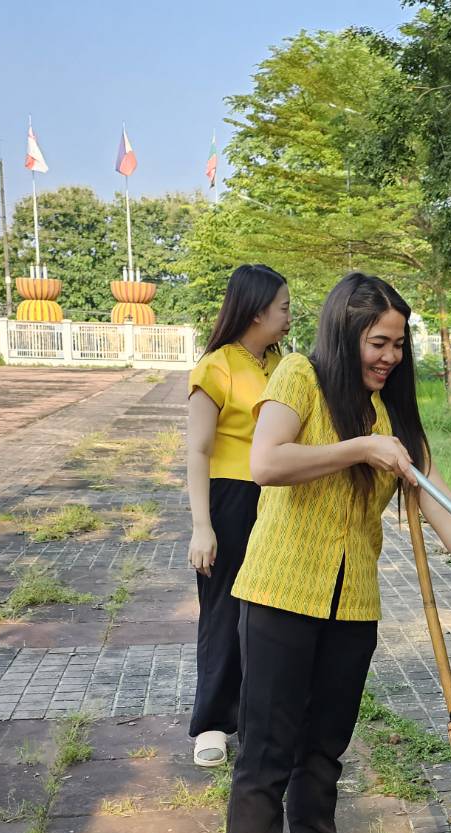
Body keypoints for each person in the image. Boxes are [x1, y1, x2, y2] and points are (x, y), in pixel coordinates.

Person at [222, 272, 451, 833]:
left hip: (351, 603)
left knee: (324, 745)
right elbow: (267, 462)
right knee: (266, 751)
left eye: (397, 344)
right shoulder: (298, 375)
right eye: (377, 342)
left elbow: (435, 495)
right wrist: (359, 449)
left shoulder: (392, 412)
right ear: (344, 333)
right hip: (278, 593)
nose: (388, 356)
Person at [185, 264, 291, 769]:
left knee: (269, 615)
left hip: (277, 499)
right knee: (224, 612)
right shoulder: (217, 367)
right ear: (255, 312)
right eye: (284, 307)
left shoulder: (280, 365)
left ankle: (256, 720)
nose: (290, 316)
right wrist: (201, 525)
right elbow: (198, 449)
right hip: (229, 499)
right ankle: (210, 723)